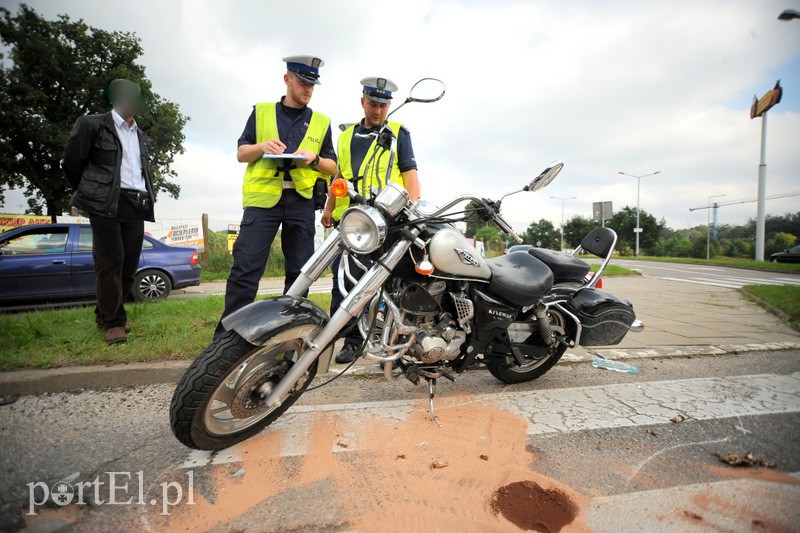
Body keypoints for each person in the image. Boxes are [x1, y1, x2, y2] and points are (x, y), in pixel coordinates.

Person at [215, 55, 337, 340]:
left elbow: (332, 167)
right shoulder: (262, 112)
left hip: (301, 201)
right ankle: (228, 336)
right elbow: (241, 154)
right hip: (263, 201)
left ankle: (288, 333)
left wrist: (314, 158)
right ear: (287, 79)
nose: (308, 89)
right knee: (246, 268)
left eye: (312, 85)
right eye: (303, 83)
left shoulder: (321, 121)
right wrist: (261, 146)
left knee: (299, 272)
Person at [321, 76, 420, 364]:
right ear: (362, 101)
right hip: (352, 220)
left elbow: (412, 179)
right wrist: (329, 209)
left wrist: (410, 215)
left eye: (383, 105)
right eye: (373, 103)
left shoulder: (399, 133)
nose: (378, 110)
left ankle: (382, 340)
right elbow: (339, 177)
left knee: (383, 285)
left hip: (387, 220)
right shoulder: (346, 135)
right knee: (343, 281)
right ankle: (340, 338)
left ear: (389, 105)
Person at [63, 79, 155, 345]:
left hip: (136, 203)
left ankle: (104, 314)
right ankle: (114, 323)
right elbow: (72, 163)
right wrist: (92, 193)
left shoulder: (141, 135)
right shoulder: (92, 124)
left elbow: (140, 171)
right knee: (109, 263)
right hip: (105, 203)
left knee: (128, 266)